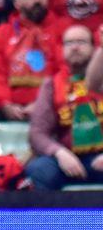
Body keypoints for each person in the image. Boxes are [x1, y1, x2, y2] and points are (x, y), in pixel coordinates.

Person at [26, 24, 103, 189]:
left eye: (81, 42)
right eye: (69, 43)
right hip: (69, 156)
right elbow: (37, 133)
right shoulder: (51, 85)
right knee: (39, 170)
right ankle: (51, 216)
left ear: (94, 47)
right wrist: (60, 153)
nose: (75, 47)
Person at [0, 0, 66, 122]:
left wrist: (43, 103)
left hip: (51, 103)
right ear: (17, 2)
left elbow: (64, 70)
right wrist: (5, 103)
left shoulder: (60, 30)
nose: (38, 0)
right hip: (8, 105)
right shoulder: (3, 32)